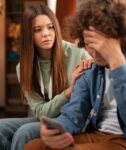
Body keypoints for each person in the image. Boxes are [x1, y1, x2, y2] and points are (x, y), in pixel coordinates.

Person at [25, 0, 126, 150]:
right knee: (35, 146)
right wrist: (55, 129)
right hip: (98, 134)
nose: (93, 52)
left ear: (120, 38)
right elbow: (73, 116)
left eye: (100, 44)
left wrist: (116, 59)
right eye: (88, 44)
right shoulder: (91, 70)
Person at [0, 4, 92, 150]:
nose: (46, 34)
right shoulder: (23, 67)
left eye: (50, 27)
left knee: (23, 133)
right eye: (37, 30)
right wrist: (68, 93)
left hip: (73, 118)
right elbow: (40, 111)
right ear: (29, 35)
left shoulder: (79, 54)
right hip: (45, 117)